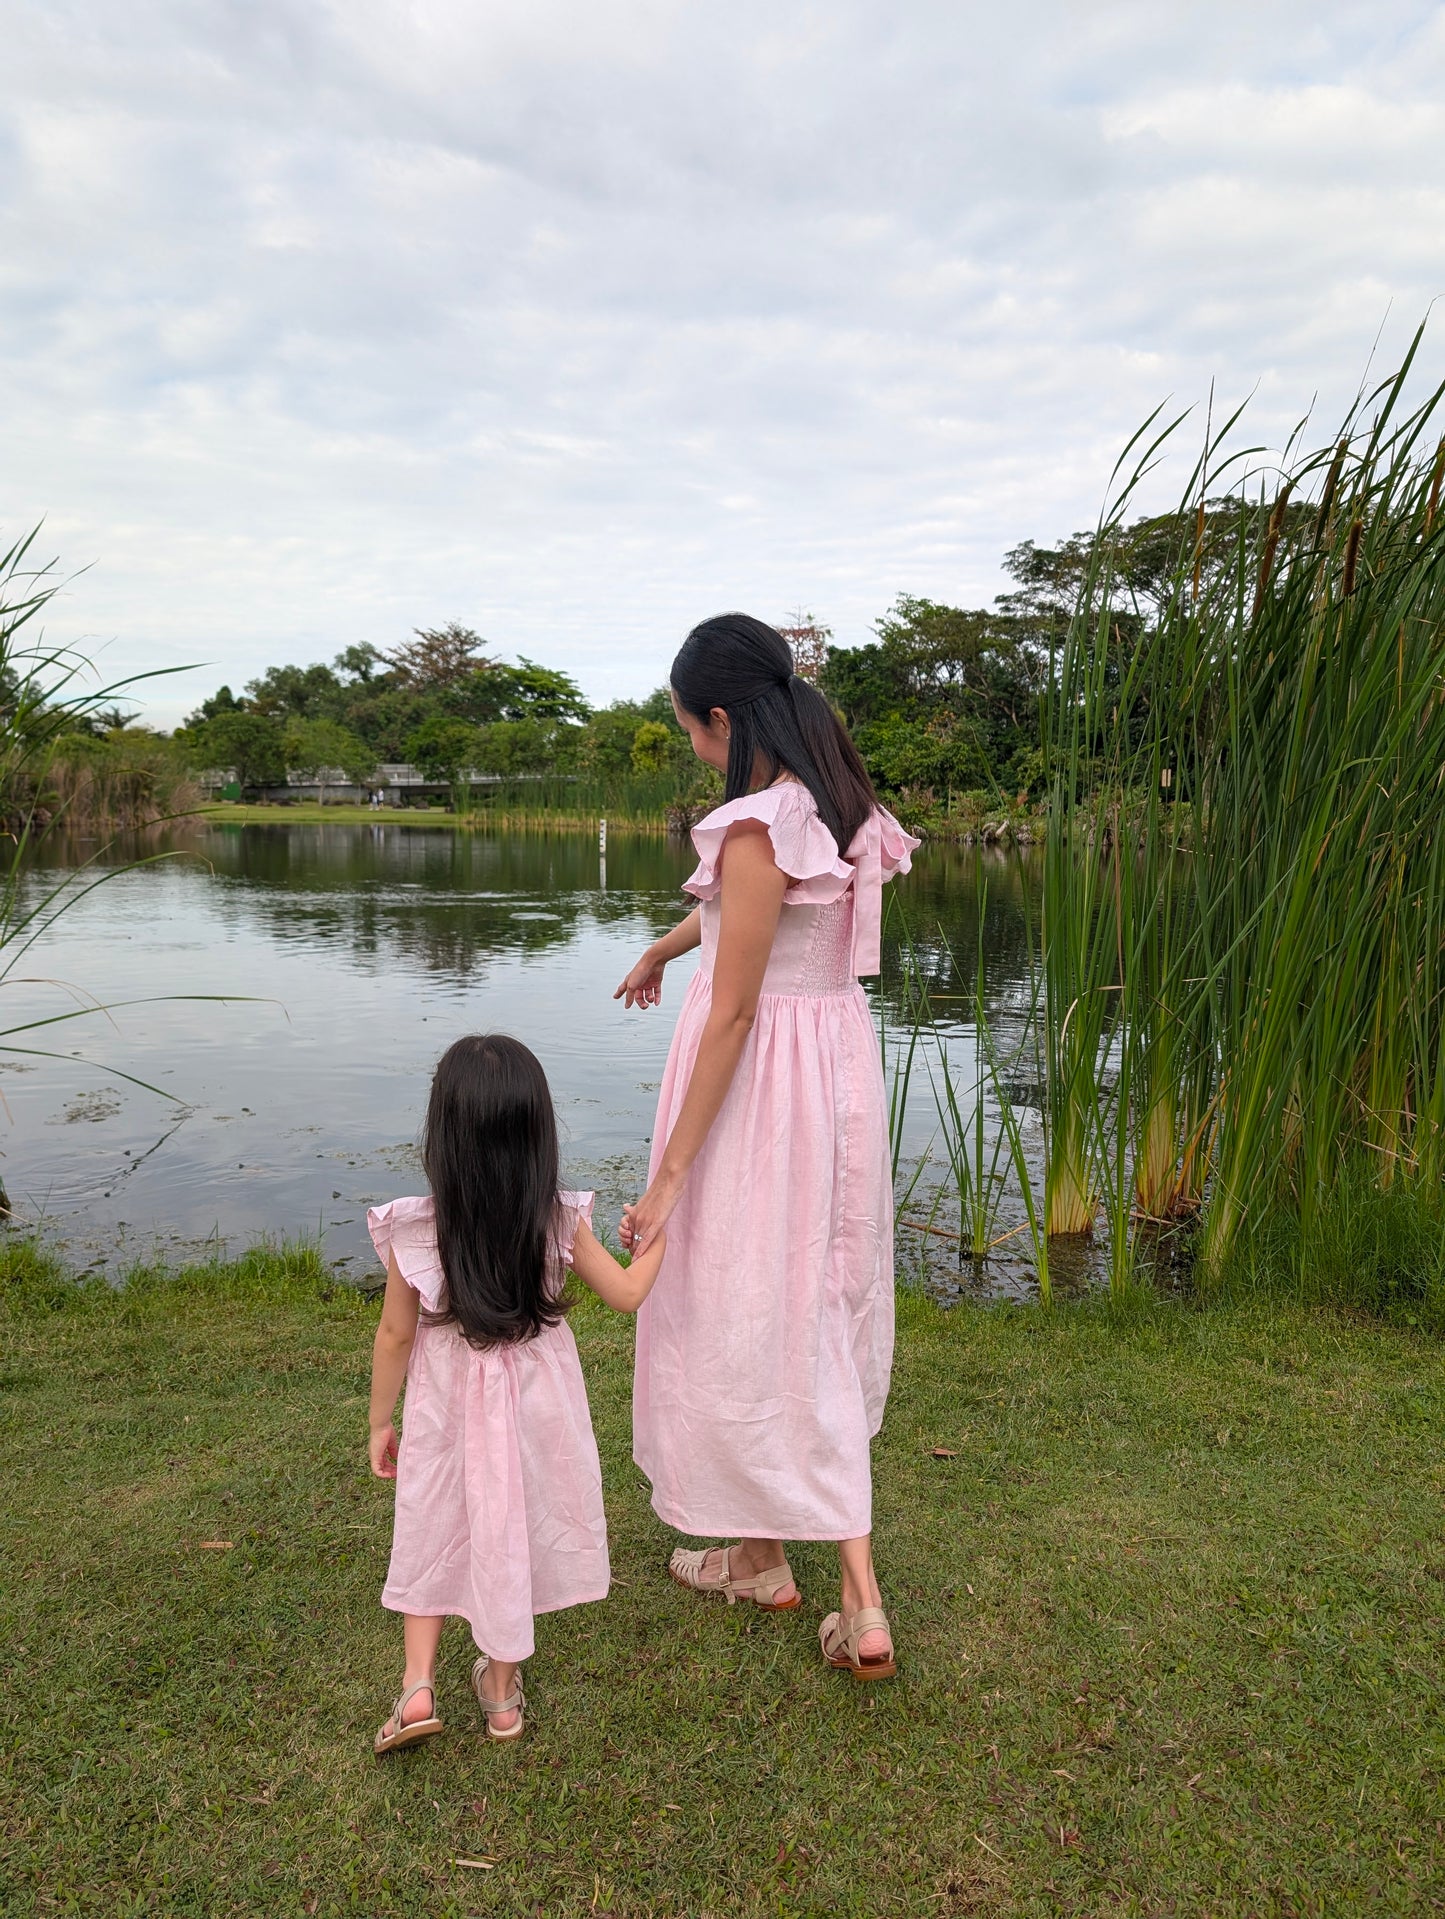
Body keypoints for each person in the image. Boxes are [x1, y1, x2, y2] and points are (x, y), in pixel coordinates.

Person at [616, 613, 918, 1681]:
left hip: (763, 1092)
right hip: (832, 1076)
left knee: (761, 1300)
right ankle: (756, 1553)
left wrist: (668, 1175)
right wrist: (663, 939)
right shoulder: (837, 802)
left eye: (690, 730)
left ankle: (862, 1595)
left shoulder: (753, 823)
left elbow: (736, 1009)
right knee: (808, 1295)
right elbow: (753, 917)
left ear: (718, 716)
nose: (693, 748)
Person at [366, 1033, 667, 1754]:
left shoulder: (418, 1229)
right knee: (510, 1530)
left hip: (443, 1414)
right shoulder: (558, 1220)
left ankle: (416, 1688)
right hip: (536, 1416)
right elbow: (627, 1293)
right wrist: (659, 1233)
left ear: (442, 1136)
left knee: (433, 1523)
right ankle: (501, 1694)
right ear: (538, 1134)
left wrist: (381, 1418)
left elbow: (394, 1337)